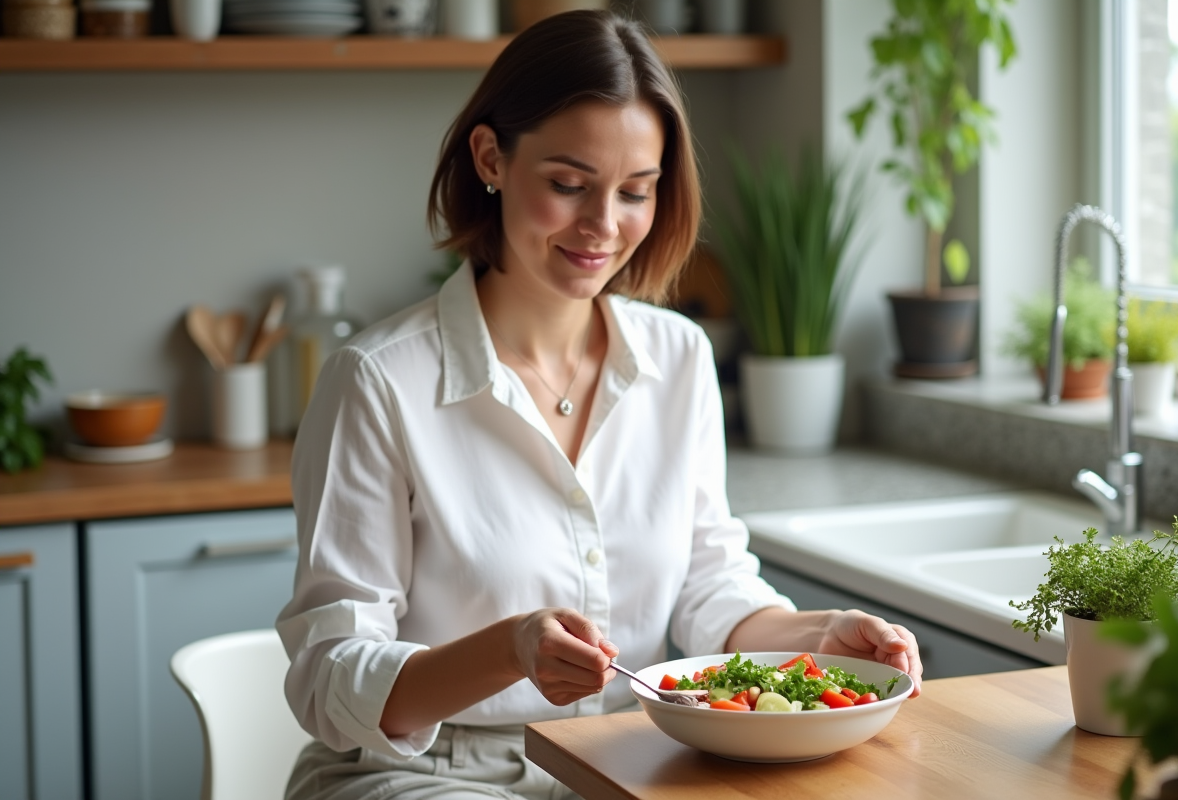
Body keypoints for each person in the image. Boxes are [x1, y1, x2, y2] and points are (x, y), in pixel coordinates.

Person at [276, 10, 922, 800]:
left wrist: (819, 638)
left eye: (635, 192)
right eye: (568, 185)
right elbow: (328, 680)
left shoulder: (678, 358)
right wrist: (509, 650)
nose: (604, 227)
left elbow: (709, 588)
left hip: (628, 764)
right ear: (491, 158)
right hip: (422, 775)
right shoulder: (377, 381)